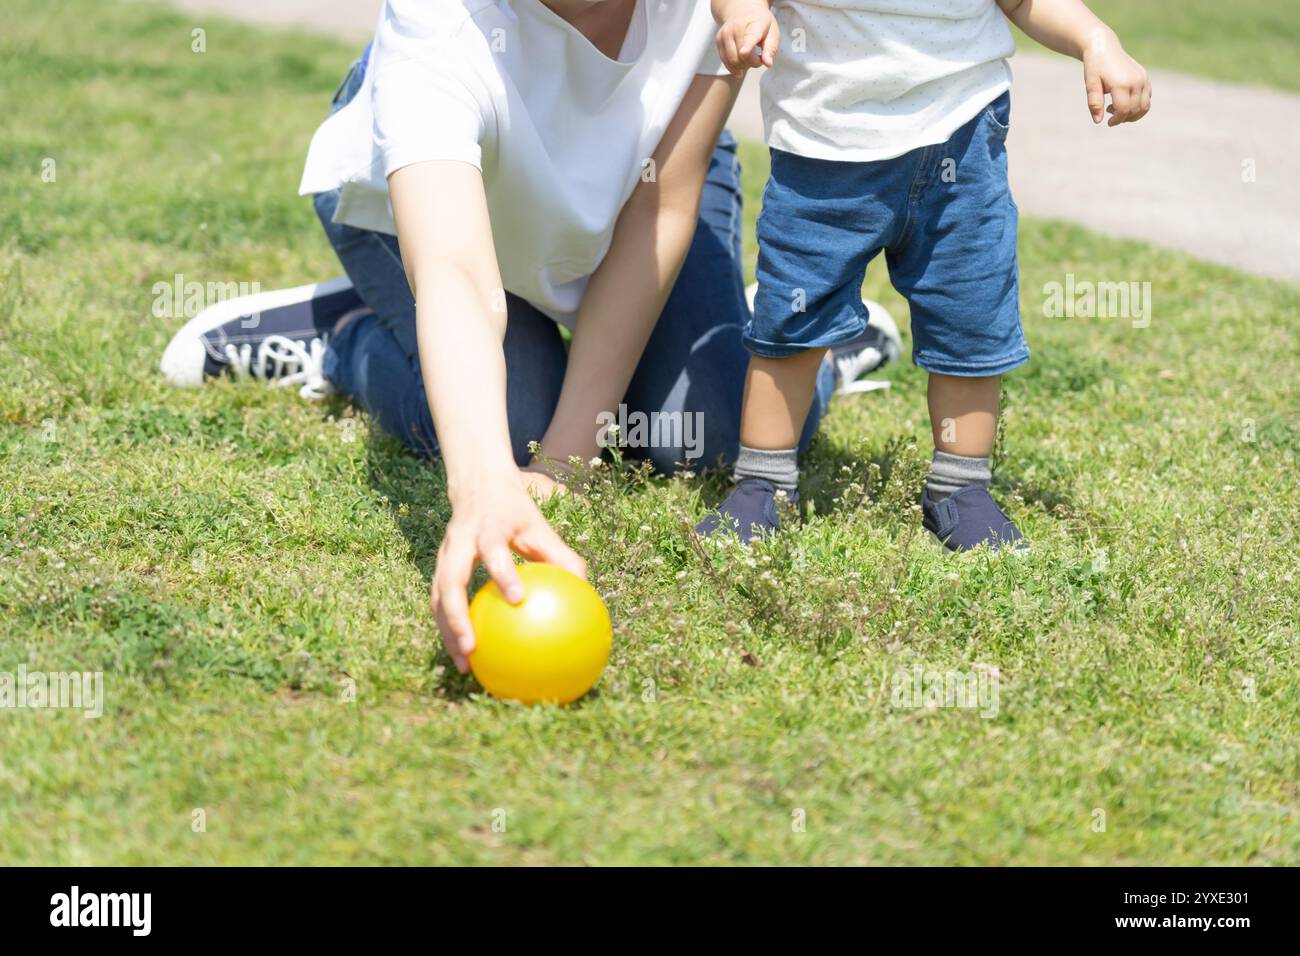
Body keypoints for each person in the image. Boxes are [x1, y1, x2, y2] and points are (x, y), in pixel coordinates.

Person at [160, 0, 901, 667]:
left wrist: (572, 458)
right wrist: (485, 486)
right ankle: (344, 335)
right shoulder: (443, 22)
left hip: (640, 177)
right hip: (434, 195)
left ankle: (814, 340)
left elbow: (660, 209)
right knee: (510, 425)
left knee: (703, 432)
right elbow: (452, 268)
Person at [699, 0, 1151, 548]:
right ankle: (763, 480)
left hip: (961, 130)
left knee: (969, 308)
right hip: (822, 139)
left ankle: (960, 486)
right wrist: (741, 12)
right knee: (793, 314)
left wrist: (1095, 38)